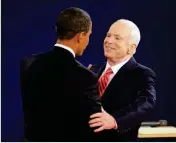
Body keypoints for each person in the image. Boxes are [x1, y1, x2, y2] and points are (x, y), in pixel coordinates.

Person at [20, 7, 102, 142]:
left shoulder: (28, 64)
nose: (88, 41)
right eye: (89, 35)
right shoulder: (85, 76)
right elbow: (94, 126)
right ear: (81, 36)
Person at [88, 19, 156, 141]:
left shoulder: (141, 74)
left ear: (131, 48)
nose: (109, 41)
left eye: (117, 38)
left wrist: (115, 120)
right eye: (108, 35)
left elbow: (146, 103)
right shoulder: (93, 70)